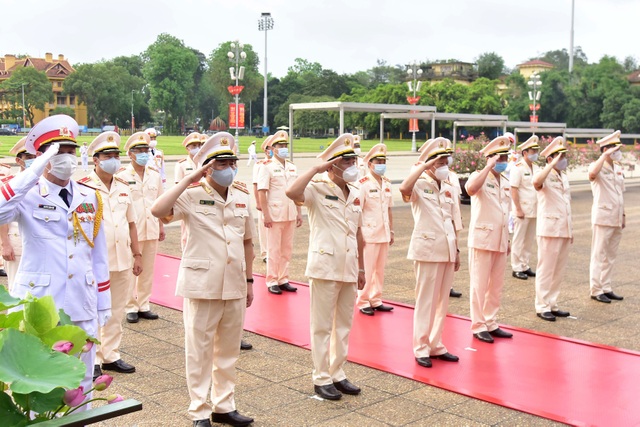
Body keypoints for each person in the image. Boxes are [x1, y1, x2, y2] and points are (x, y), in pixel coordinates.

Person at [0, 114, 111, 408]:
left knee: (81, 381)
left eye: (70, 149)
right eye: (57, 150)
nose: (66, 156)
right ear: (42, 155)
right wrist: (35, 169)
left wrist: (104, 303)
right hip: (41, 303)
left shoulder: (91, 197)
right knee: (39, 383)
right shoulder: (26, 193)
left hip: (81, 300)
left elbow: (98, 256)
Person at [151, 131, 255, 427]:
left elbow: (248, 242)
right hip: (202, 284)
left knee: (228, 350)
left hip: (234, 283)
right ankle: (199, 410)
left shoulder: (242, 194)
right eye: (221, 163)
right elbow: (158, 210)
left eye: (232, 162)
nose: (229, 168)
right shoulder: (191, 195)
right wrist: (188, 179)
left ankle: (224, 405)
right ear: (207, 167)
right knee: (199, 351)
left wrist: (249, 281)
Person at [286, 133, 365, 401]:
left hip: (349, 265)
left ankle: (337, 373)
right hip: (324, 265)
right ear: (332, 165)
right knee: (321, 326)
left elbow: (358, 233)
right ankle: (321, 377)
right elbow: (291, 192)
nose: (353, 164)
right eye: (346, 160)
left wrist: (362, 268)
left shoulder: (356, 191)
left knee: (344, 324)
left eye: (354, 158)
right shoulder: (318, 189)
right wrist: (316, 168)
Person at [81, 132, 143, 380]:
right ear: (96, 159)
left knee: (116, 310)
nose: (113, 160)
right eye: (108, 156)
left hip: (122, 259)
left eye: (116, 155)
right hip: (95, 261)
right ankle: (92, 358)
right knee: (94, 310)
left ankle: (111, 355)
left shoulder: (123, 187)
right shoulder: (83, 187)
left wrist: (137, 254)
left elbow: (132, 224)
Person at [400, 137, 461, 368]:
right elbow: (404, 189)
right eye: (440, 161)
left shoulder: (447, 185)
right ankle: (421, 347)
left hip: (446, 249)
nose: (445, 164)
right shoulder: (419, 182)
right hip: (426, 250)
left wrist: (456, 249)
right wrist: (423, 166)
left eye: (446, 160)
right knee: (426, 301)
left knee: (441, 301)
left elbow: (452, 220)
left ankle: (436, 344)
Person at [464, 135, 513, 343]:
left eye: (505, 158)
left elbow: (504, 213)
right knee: (479, 284)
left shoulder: (505, 181)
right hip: (483, 239)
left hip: (500, 239)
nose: (502, 162)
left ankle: (491, 321)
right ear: (490, 158)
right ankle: (478, 325)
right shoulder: (479, 176)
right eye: (499, 158)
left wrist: (508, 239)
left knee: (496, 285)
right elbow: (470, 190)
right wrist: (487, 167)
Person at [117, 132, 165, 324]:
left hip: (151, 226)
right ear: (130, 154)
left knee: (148, 270)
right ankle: (130, 306)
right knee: (131, 269)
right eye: (140, 151)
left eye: (147, 150)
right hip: (132, 230)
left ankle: (144, 304)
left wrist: (161, 226)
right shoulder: (121, 176)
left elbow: (160, 202)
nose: (144, 154)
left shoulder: (154, 175)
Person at [532, 136, 572, 321]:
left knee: (559, 269)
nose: (563, 160)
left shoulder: (563, 176)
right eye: (559, 156)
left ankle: (552, 303)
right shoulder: (544, 174)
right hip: (549, 229)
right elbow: (536, 183)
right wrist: (551, 163)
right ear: (550, 158)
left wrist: (570, 230)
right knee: (546, 269)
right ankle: (542, 305)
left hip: (563, 229)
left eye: (563, 156)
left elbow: (566, 204)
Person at [257, 130, 302, 295]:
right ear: (273, 148)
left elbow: (296, 192)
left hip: (289, 212)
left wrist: (299, 211)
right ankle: (272, 280)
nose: (283, 148)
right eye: (280, 145)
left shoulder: (291, 166)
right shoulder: (266, 167)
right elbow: (262, 192)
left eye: (285, 145)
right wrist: (265, 214)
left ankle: (283, 278)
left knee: (286, 249)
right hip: (274, 214)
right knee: (273, 249)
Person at [356, 143, 395, 315]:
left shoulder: (386, 183)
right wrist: (359, 234)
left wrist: (391, 230)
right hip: (368, 233)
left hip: (383, 232)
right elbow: (358, 211)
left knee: (380, 269)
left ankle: (376, 298)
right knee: (368, 269)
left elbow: (389, 209)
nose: (381, 164)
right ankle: (363, 300)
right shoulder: (362, 184)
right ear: (369, 163)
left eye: (383, 161)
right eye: (378, 161)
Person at [588, 130, 626, 303]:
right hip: (603, 217)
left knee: (611, 255)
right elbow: (592, 175)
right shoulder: (597, 165)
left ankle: (606, 286)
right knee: (599, 254)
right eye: (615, 148)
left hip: (616, 217)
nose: (618, 151)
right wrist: (604, 156)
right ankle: (596, 289)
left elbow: (620, 193)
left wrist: (623, 214)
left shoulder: (618, 167)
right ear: (607, 150)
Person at [0, 138, 35, 290]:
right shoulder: (9, 184)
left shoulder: (46, 181)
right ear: (19, 160)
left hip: (41, 242)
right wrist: (5, 245)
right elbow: (2, 217)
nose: (34, 160)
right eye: (29, 157)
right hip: (16, 243)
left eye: (36, 156)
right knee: (17, 288)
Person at [509, 136, 540, 280]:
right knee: (519, 239)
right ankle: (516, 267)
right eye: (533, 151)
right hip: (522, 210)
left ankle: (525, 265)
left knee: (529, 240)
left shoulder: (537, 167)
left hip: (534, 209)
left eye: (536, 151)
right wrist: (518, 208)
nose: (535, 153)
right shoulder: (518, 168)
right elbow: (513, 189)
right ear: (525, 152)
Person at [252, 137, 272, 264]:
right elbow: (255, 185)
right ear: (266, 150)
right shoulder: (260, 165)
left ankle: (274, 251)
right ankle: (265, 252)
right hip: (264, 200)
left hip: (277, 203)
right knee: (264, 228)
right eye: (270, 148)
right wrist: (258, 202)